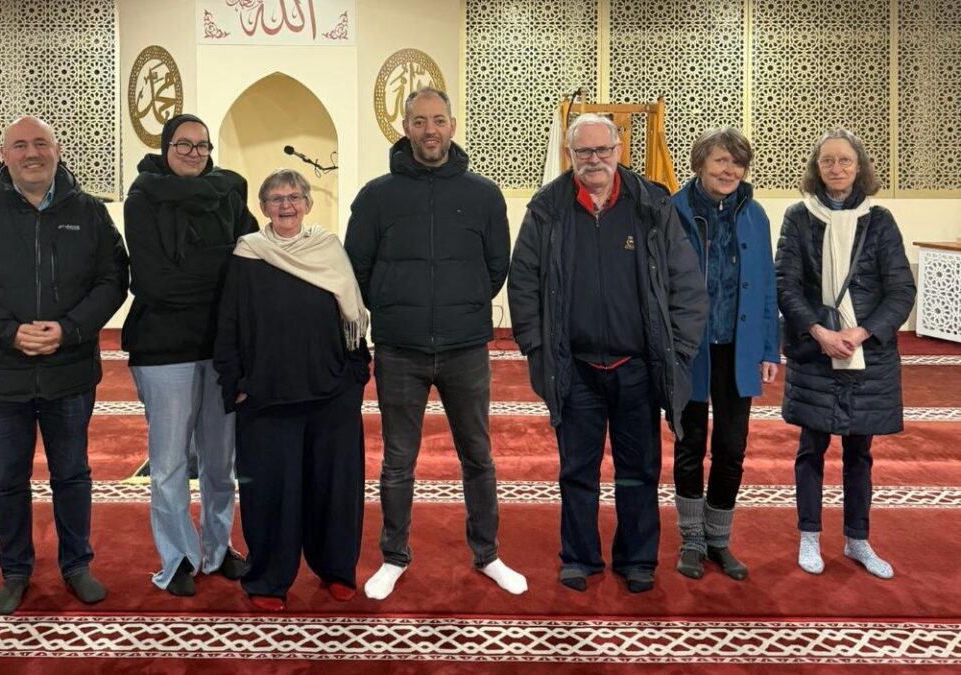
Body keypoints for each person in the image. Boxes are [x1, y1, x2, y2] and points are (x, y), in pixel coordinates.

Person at [0, 115, 129, 614]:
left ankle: (76, 565)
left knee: (72, 474)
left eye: (40, 143)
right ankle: (15, 571)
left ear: (57, 150)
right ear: (5, 155)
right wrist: (7, 330)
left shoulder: (88, 212)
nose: (31, 153)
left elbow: (113, 278)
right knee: (7, 479)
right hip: (2, 371)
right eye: (20, 145)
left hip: (69, 371)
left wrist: (70, 329)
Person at [507, 113, 707, 594]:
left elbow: (686, 287)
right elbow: (524, 289)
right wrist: (538, 352)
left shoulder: (651, 204)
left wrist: (676, 353)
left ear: (619, 151)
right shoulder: (547, 208)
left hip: (637, 368)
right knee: (577, 471)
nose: (593, 160)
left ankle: (638, 559)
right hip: (573, 368)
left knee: (639, 471)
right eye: (583, 152)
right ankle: (578, 557)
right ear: (570, 155)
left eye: (602, 150)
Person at [345, 87, 527, 600]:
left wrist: (462, 305)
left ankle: (487, 553)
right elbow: (356, 268)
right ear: (405, 127)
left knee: (478, 456)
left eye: (439, 120)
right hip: (399, 348)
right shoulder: (377, 195)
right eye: (420, 121)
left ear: (452, 125)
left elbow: (497, 267)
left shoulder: (483, 194)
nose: (430, 130)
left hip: (465, 347)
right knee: (399, 460)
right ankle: (394, 556)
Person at [213, 168, 370, 612]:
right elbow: (229, 326)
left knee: (334, 489)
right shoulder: (248, 256)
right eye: (276, 198)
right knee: (271, 494)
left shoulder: (328, 250)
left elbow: (353, 317)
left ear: (308, 204)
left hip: (331, 396)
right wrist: (236, 387)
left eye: (295, 196)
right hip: (266, 399)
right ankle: (268, 579)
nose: (287, 204)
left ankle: (336, 569)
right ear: (262, 208)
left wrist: (355, 377)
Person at [122, 113, 257, 596]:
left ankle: (218, 550)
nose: (194, 154)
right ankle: (178, 557)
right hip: (164, 350)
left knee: (221, 462)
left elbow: (251, 261)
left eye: (201, 146)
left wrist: (200, 271)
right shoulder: (142, 197)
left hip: (221, 348)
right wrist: (219, 271)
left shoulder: (229, 192)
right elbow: (153, 282)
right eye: (184, 145)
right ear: (165, 148)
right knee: (171, 461)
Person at [775, 128, 915, 579]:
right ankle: (810, 536)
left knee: (860, 453)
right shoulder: (799, 217)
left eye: (845, 161)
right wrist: (817, 331)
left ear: (860, 168)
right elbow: (786, 285)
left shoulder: (881, 220)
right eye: (827, 161)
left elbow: (900, 290)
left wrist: (862, 332)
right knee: (810, 448)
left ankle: (857, 540)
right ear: (816, 168)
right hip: (815, 351)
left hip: (866, 354)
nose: (836, 169)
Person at [670, 128, 779, 581]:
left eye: (736, 163)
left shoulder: (755, 216)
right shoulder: (672, 211)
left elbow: (768, 286)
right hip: (690, 348)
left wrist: (771, 347)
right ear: (700, 163)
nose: (729, 170)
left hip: (739, 348)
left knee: (732, 447)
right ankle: (691, 538)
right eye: (720, 161)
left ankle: (719, 538)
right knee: (689, 445)